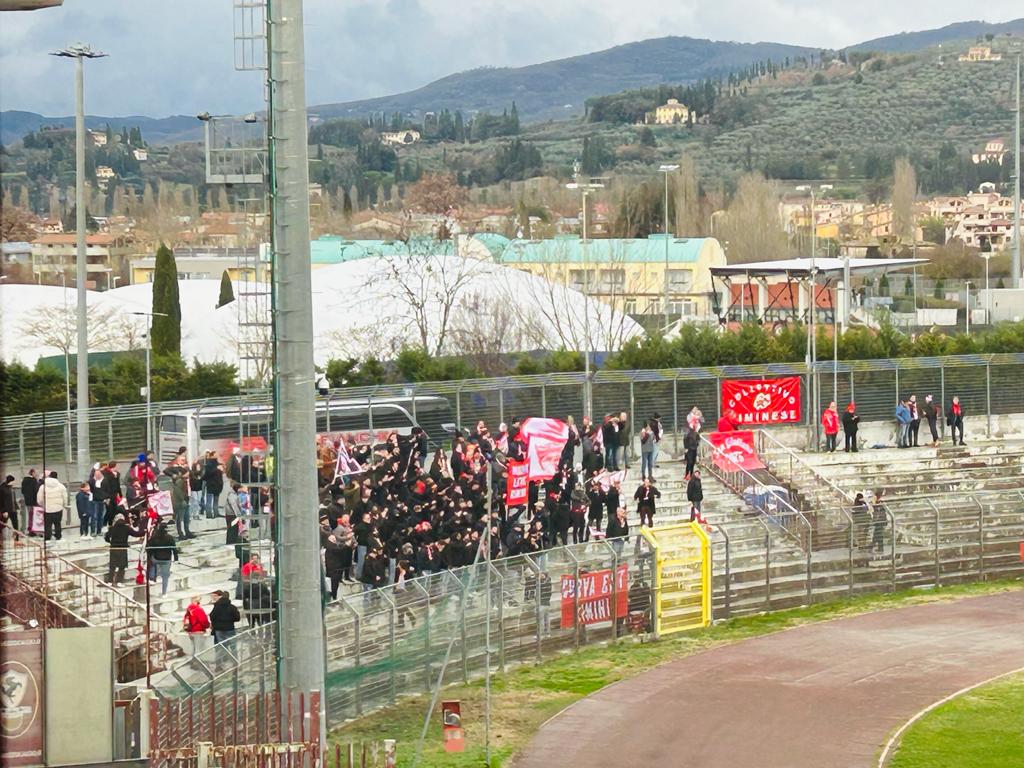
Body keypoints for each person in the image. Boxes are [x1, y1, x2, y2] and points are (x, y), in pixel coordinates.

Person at [105, 513, 141, 586]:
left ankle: (110, 581)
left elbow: (106, 537)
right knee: (122, 566)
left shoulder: (112, 528)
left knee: (112, 566)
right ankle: (119, 581)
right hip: (123, 548)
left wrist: (111, 542)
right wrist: (144, 531)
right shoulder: (126, 528)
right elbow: (136, 534)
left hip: (114, 548)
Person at [147, 522, 179, 597]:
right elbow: (174, 549)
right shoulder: (170, 538)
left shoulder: (154, 537)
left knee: (152, 563)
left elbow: (148, 548)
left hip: (156, 558)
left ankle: (152, 578)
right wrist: (176, 559)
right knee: (165, 577)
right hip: (166, 560)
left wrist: (149, 556)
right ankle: (164, 593)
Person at [164, 457, 193, 539]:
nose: (188, 474)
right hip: (180, 500)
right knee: (180, 517)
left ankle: (187, 531)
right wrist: (182, 500)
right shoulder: (179, 480)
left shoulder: (185, 480)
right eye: (182, 460)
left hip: (186, 498)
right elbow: (178, 492)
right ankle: (181, 533)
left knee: (186, 517)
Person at [41, 470, 68, 542]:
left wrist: (43, 505)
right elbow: (65, 497)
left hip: (47, 508)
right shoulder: (61, 486)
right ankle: (58, 537)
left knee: (47, 524)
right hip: (58, 508)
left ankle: (47, 538)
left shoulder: (43, 486)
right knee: (57, 523)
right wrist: (64, 505)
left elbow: (39, 498)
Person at [1, 474, 19, 542]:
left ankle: (17, 537)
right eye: (13, 481)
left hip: (13, 509)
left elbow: (12, 498)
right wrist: (3, 511)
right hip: (6, 510)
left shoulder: (11, 488)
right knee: (3, 524)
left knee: (15, 523)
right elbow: (1, 500)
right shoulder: (2, 488)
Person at [871, 490, 888, 554]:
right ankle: (878, 548)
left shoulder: (879, 503)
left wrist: (873, 503)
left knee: (877, 535)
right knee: (878, 535)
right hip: (880, 521)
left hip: (879, 521)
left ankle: (873, 547)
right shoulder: (880, 502)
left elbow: (877, 511)